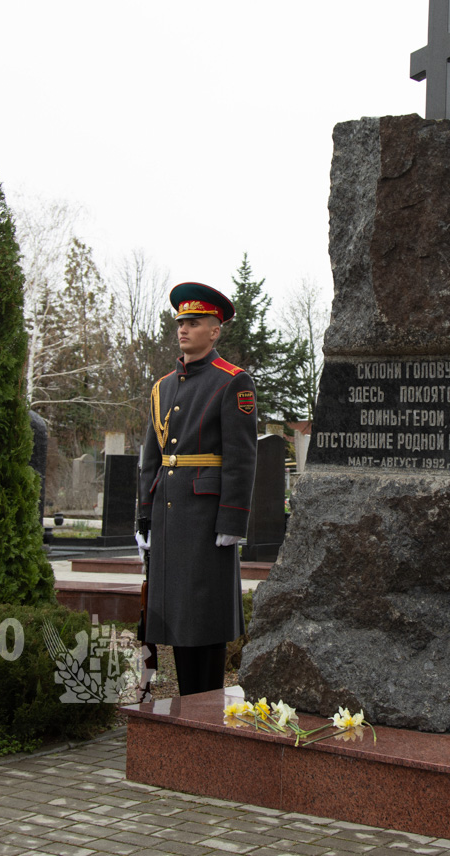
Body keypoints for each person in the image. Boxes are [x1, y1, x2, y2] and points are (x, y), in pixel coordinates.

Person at [136, 282, 258, 696]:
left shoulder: (233, 382)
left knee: (204, 619)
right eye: (180, 323)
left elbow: (241, 457)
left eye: (194, 322)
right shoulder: (162, 387)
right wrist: (144, 515)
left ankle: (204, 709)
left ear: (215, 330)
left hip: (206, 518)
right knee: (174, 617)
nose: (184, 329)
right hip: (168, 516)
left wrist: (233, 520)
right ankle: (184, 707)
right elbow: (151, 457)